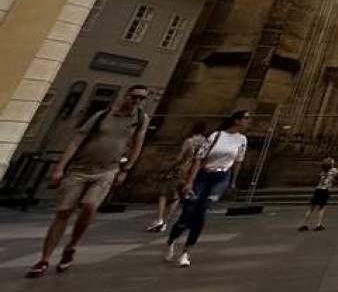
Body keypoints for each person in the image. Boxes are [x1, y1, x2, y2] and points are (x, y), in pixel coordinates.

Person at [26, 84, 150, 277]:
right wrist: (59, 168)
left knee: (89, 206)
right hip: (80, 168)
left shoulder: (140, 119)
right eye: (135, 96)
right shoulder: (102, 115)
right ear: (126, 95)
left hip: (107, 170)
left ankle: (72, 246)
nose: (138, 101)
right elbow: (77, 140)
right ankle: (44, 259)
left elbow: (137, 145)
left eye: (142, 98)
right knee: (64, 212)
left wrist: (126, 170)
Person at [164, 109, 251, 267]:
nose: (248, 121)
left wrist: (232, 181)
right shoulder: (216, 135)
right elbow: (199, 159)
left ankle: (186, 252)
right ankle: (172, 240)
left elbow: (238, 161)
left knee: (202, 211)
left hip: (221, 177)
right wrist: (190, 181)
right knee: (188, 211)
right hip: (203, 176)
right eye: (246, 118)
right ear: (236, 120)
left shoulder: (242, 139)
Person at [148, 121, 208, 233]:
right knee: (177, 197)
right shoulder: (205, 143)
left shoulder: (189, 141)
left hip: (180, 169)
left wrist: (170, 166)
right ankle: (165, 222)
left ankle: (159, 218)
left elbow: (179, 158)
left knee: (164, 194)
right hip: (192, 171)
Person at [298, 158, 338, 231]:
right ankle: (318, 225)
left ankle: (304, 224)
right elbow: (333, 176)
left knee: (311, 209)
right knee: (321, 209)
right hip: (325, 190)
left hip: (318, 190)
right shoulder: (334, 170)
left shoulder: (322, 172)